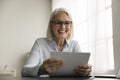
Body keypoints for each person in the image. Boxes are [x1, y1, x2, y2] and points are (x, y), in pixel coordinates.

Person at [22, 8, 92, 77]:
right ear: (51, 26)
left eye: (67, 23)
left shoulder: (74, 44)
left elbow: (83, 69)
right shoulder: (40, 43)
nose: (63, 26)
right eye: (58, 23)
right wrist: (41, 69)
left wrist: (86, 71)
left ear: (70, 26)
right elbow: (25, 70)